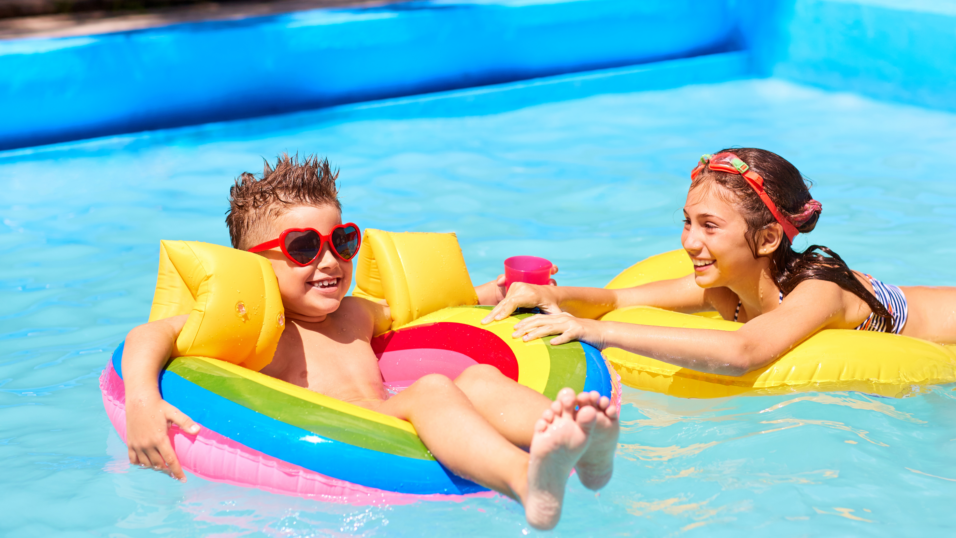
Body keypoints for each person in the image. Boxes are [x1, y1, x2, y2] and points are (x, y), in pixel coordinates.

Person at [121, 154, 619, 530]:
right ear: (253, 265)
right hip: (344, 438)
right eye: (302, 247)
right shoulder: (257, 330)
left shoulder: (355, 314)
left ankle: (578, 444)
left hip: (393, 417)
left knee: (479, 376)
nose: (330, 261)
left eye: (342, 241)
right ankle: (524, 481)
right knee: (431, 389)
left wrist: (503, 290)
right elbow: (150, 335)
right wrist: (142, 401)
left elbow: (430, 307)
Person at [483, 148, 956, 377]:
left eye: (710, 227)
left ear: (766, 238)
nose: (690, 241)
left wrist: (597, 334)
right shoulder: (724, 288)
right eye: (688, 221)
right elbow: (620, 298)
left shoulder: (817, 291)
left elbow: (745, 351)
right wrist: (546, 297)